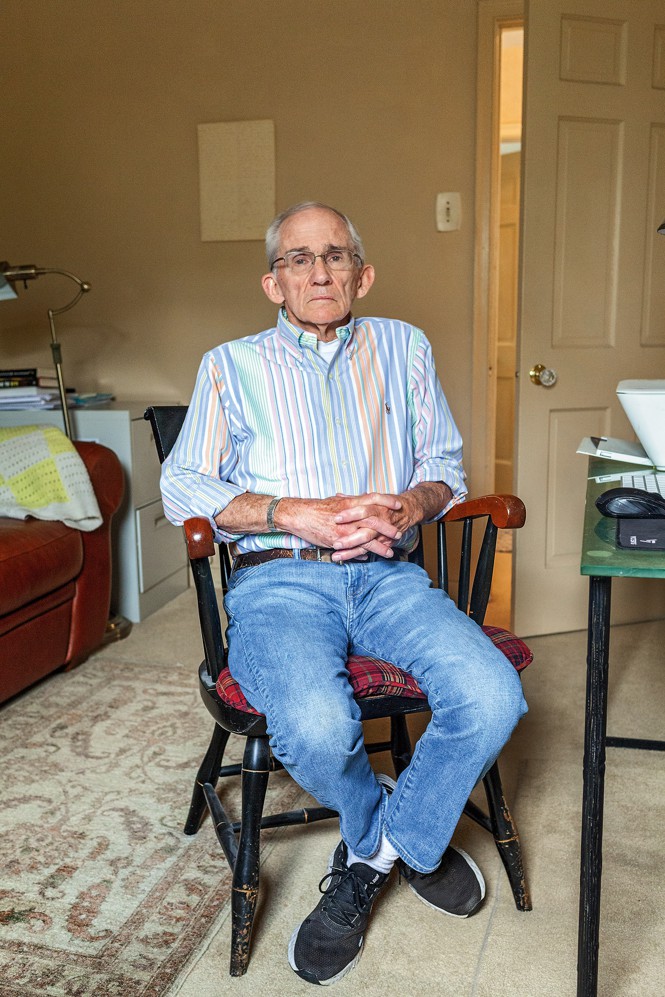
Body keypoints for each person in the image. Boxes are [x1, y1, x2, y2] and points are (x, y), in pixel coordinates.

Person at [160, 201, 527, 986]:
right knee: (320, 729)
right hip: (280, 577)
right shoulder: (230, 365)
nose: (319, 270)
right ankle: (386, 838)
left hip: (389, 573)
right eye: (298, 258)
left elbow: (444, 468)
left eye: (335, 255)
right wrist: (290, 510)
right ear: (272, 282)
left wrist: (414, 504)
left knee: (492, 694)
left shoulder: (405, 347)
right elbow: (183, 484)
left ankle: (386, 846)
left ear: (363, 273)